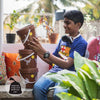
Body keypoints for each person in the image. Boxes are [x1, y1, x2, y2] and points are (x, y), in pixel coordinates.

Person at [28, 10, 87, 100]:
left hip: (69, 75)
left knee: (58, 95)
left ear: (78, 25)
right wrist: (37, 51)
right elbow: (51, 60)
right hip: (55, 72)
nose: (64, 25)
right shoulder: (63, 40)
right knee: (38, 88)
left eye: (68, 23)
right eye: (64, 22)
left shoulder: (81, 43)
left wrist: (43, 51)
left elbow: (67, 64)